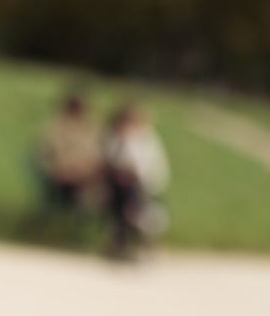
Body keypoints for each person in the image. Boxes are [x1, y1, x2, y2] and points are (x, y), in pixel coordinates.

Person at [103, 104, 171, 260]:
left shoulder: (146, 139)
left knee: (129, 200)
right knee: (124, 199)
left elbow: (146, 168)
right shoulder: (116, 138)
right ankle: (125, 242)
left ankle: (124, 241)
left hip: (142, 186)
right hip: (122, 186)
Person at [36, 92, 104, 217]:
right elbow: (47, 151)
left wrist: (85, 169)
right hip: (61, 172)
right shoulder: (55, 126)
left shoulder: (92, 126)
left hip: (86, 173)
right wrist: (60, 169)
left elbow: (97, 152)